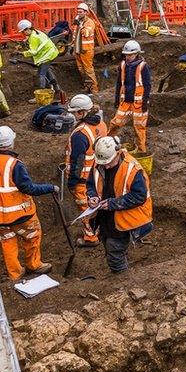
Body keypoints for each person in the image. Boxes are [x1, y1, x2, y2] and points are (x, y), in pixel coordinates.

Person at [0, 126, 58, 282]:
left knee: (8, 241)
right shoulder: (15, 164)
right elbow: (28, 188)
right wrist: (50, 187)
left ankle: (15, 274)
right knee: (32, 235)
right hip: (20, 214)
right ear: (11, 143)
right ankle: (34, 265)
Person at [86, 136, 154, 273]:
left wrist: (113, 203)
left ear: (117, 153)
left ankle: (122, 278)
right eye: (103, 163)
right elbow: (91, 183)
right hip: (105, 216)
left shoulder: (133, 170)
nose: (106, 166)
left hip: (124, 220)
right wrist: (92, 196)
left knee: (114, 251)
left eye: (109, 163)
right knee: (107, 243)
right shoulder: (101, 161)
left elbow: (139, 196)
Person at [64, 94, 106, 248]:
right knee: (98, 203)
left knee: (86, 208)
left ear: (82, 112)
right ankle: (100, 229)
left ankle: (91, 238)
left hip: (84, 179)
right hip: (99, 174)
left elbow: (78, 162)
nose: (73, 115)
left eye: (75, 112)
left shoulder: (80, 134)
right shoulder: (101, 124)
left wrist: (72, 182)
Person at [109, 40, 152, 154]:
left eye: (130, 55)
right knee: (115, 123)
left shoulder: (143, 66)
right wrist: (117, 100)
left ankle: (141, 152)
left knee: (139, 128)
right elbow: (119, 83)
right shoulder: (123, 65)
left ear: (137, 53)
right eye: (126, 55)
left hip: (138, 103)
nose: (128, 57)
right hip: (125, 102)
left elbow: (147, 85)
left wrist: (144, 103)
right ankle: (108, 144)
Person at [17, 19, 61, 93]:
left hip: (46, 56)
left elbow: (33, 52)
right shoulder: (36, 32)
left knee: (41, 74)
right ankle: (57, 88)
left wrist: (21, 53)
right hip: (51, 52)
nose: (23, 34)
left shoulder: (33, 37)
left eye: (23, 32)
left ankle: (42, 93)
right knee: (46, 70)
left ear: (27, 29)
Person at [73, 2, 99, 93]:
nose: (78, 14)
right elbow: (75, 36)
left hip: (86, 50)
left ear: (86, 12)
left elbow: (86, 34)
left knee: (88, 70)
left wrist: (80, 25)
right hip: (78, 50)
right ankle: (87, 86)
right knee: (81, 69)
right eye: (78, 12)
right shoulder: (78, 22)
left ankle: (94, 89)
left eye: (80, 12)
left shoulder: (90, 23)